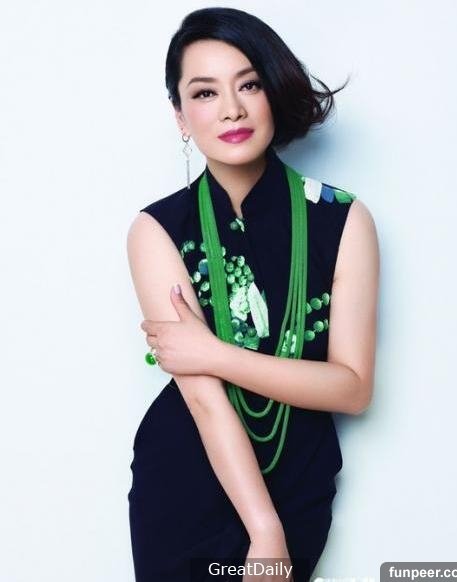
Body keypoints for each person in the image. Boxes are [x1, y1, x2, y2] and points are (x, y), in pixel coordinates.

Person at [126, 7, 379, 582]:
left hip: (299, 479)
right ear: (180, 115)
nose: (232, 109)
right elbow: (202, 398)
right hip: (185, 482)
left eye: (248, 84)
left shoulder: (343, 218)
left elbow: (353, 388)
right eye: (205, 92)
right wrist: (264, 530)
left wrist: (213, 353)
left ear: (272, 92)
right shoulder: (156, 228)